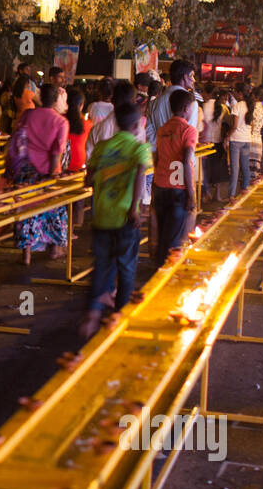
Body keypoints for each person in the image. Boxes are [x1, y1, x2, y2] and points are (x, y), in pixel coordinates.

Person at [80, 103, 151, 340]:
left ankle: (93, 314)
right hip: (124, 217)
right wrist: (134, 208)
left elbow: (88, 178)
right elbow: (141, 173)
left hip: (101, 215)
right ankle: (119, 318)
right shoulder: (139, 149)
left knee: (102, 265)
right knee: (127, 267)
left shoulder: (102, 147)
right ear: (135, 126)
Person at [9, 83, 69, 265]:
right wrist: (52, 175)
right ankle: (54, 250)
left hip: (26, 171)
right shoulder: (61, 122)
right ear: (56, 100)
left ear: (40, 98)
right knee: (53, 211)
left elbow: (18, 139)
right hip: (47, 172)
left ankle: (26, 255)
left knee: (26, 211)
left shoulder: (28, 115)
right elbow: (57, 152)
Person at [151, 89, 196, 268]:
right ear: (186, 108)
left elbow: (157, 157)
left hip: (161, 185)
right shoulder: (188, 130)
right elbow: (186, 160)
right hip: (178, 189)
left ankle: (159, 267)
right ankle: (165, 273)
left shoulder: (163, 129)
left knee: (162, 232)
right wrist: (191, 194)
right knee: (174, 238)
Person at [64, 86, 93, 226]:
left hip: (63, 165)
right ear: (81, 105)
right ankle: (75, 227)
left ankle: (64, 227)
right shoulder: (87, 124)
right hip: (79, 165)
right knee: (78, 200)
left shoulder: (61, 121)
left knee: (63, 199)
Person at [200, 87, 230, 202]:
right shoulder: (223, 108)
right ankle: (218, 195)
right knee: (218, 169)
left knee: (205, 169)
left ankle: (206, 193)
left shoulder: (203, 107)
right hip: (218, 141)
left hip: (205, 143)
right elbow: (229, 123)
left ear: (208, 93)